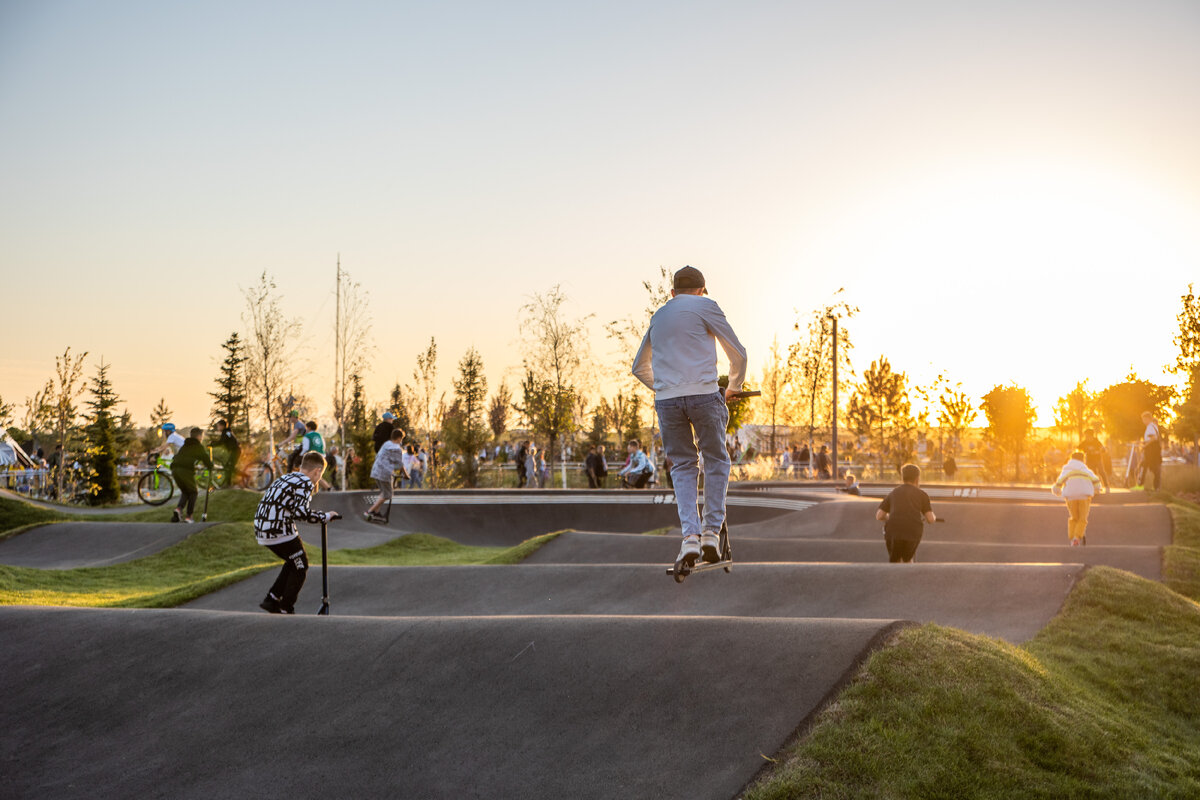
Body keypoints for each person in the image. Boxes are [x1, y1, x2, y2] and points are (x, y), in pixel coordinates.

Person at [632, 265, 747, 567]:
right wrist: (733, 386)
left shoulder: (658, 316)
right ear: (700, 290)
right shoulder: (705, 306)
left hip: (667, 401)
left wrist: (665, 387)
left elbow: (638, 367)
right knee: (716, 459)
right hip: (705, 396)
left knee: (682, 465)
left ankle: (689, 538)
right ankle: (710, 531)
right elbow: (739, 354)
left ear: (671, 293)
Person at [254, 451, 338, 613]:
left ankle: (271, 599)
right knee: (301, 566)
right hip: (277, 529)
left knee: (293, 560)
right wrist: (325, 516)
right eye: (320, 475)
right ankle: (286, 607)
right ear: (317, 471)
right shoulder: (305, 482)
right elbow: (301, 513)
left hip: (262, 527)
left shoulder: (286, 477)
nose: (318, 480)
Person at [876, 463, 936, 563]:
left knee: (895, 560)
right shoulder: (922, 494)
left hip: (893, 531)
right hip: (912, 531)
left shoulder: (894, 492)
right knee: (907, 559)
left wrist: (890, 517)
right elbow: (930, 519)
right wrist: (933, 517)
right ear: (917, 478)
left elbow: (879, 516)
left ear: (902, 477)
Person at [1051, 450, 1103, 546]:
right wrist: (1098, 489)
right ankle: (1077, 536)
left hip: (1070, 496)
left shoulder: (1067, 469)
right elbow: (1096, 481)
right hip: (1084, 496)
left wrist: (1056, 490)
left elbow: (1059, 481)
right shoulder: (1085, 469)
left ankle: (1072, 538)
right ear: (1083, 459)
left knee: (1074, 518)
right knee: (1082, 519)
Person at [171, 428, 214, 523]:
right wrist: (211, 466)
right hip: (184, 470)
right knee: (194, 492)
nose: (202, 439)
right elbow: (205, 458)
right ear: (199, 436)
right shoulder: (197, 446)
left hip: (175, 469)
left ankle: (178, 509)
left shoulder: (185, 445)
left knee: (186, 491)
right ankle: (189, 516)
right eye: (202, 436)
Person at [365, 428, 407, 520]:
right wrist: (406, 475)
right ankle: (370, 511)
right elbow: (400, 464)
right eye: (401, 439)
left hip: (376, 471)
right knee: (388, 494)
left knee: (383, 492)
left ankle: (376, 512)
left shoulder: (386, 444)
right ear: (399, 438)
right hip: (384, 473)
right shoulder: (397, 449)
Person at [210, 419, 241, 488]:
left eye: (218, 426)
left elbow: (221, 442)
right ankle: (227, 483)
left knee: (230, 467)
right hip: (234, 451)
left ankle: (244, 476)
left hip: (235, 451)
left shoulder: (226, 432)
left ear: (222, 426)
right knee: (228, 467)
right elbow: (223, 441)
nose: (217, 428)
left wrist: (212, 445)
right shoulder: (227, 432)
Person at [1140, 411, 1162, 492]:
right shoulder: (1154, 426)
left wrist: (1145, 445)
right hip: (1154, 451)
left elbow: (1153, 438)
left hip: (1151, 451)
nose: (1143, 421)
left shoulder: (1150, 426)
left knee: (1143, 467)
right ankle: (1156, 488)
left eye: (1143, 419)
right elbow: (1152, 438)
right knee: (1154, 469)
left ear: (1147, 419)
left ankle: (1140, 485)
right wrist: (1143, 442)